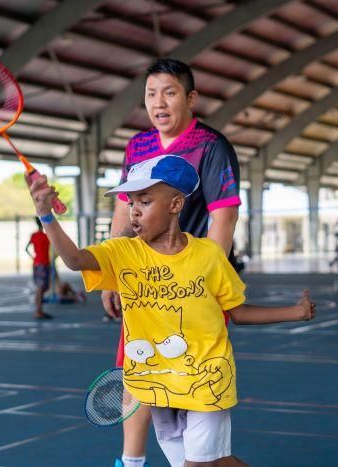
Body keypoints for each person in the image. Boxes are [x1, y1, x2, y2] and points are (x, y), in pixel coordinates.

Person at [27, 156, 315, 467]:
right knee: (219, 463)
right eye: (132, 201)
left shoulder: (208, 256)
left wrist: (295, 312)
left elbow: (239, 312)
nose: (134, 210)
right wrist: (45, 214)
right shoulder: (122, 252)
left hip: (206, 380)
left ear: (175, 204)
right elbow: (74, 260)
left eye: (146, 201)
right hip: (155, 386)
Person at [102, 58, 243, 467]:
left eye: (169, 92)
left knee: (199, 411)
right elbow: (122, 213)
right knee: (136, 369)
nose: (159, 103)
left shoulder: (211, 146)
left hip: (192, 287)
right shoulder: (137, 146)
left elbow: (224, 216)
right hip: (145, 286)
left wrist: (205, 280)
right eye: (151, 94)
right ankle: (130, 462)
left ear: (190, 97)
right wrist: (112, 274)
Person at [26, 218, 53, 319]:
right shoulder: (46, 236)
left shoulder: (34, 235)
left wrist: (33, 257)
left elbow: (26, 249)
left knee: (40, 287)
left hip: (36, 263)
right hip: (44, 263)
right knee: (41, 288)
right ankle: (38, 310)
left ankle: (39, 309)